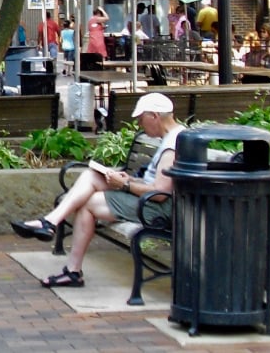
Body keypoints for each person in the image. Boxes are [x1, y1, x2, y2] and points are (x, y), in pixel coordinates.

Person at [10, 92, 183, 287]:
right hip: (148, 199)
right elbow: (155, 182)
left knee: (88, 203)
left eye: (141, 119)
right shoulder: (173, 137)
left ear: (155, 116)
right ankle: (51, 225)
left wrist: (124, 184)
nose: (140, 124)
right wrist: (130, 179)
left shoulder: (173, 145)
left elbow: (160, 194)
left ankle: (69, 263)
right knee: (91, 176)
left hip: (155, 209)